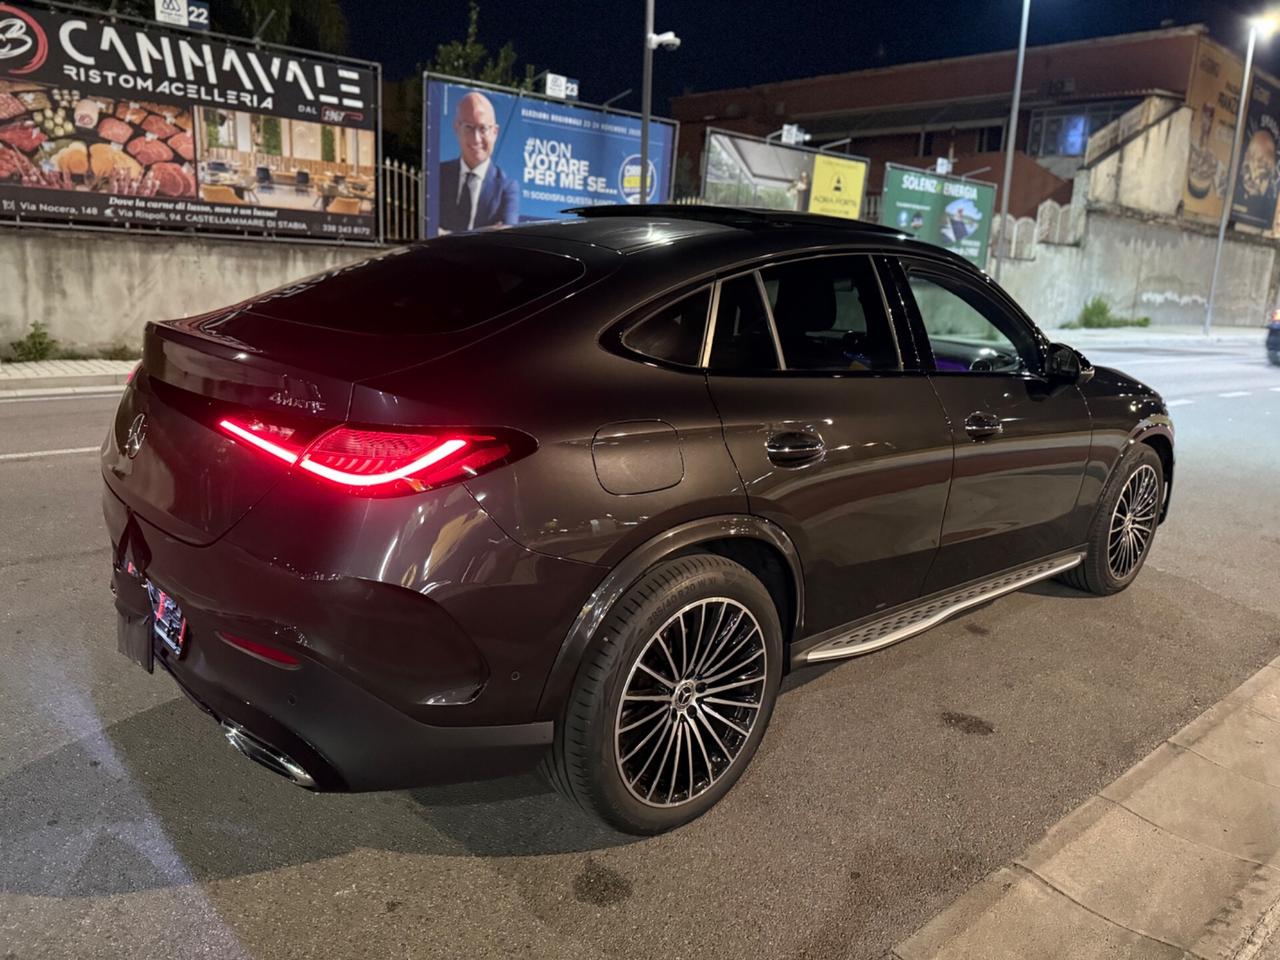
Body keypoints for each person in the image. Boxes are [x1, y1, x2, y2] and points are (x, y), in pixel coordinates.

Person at [437, 91, 518, 233]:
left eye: (483, 129)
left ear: (495, 132)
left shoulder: (507, 188)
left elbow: (505, 236)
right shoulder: (439, 175)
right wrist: (488, 231)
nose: (476, 139)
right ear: (457, 128)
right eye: (468, 127)